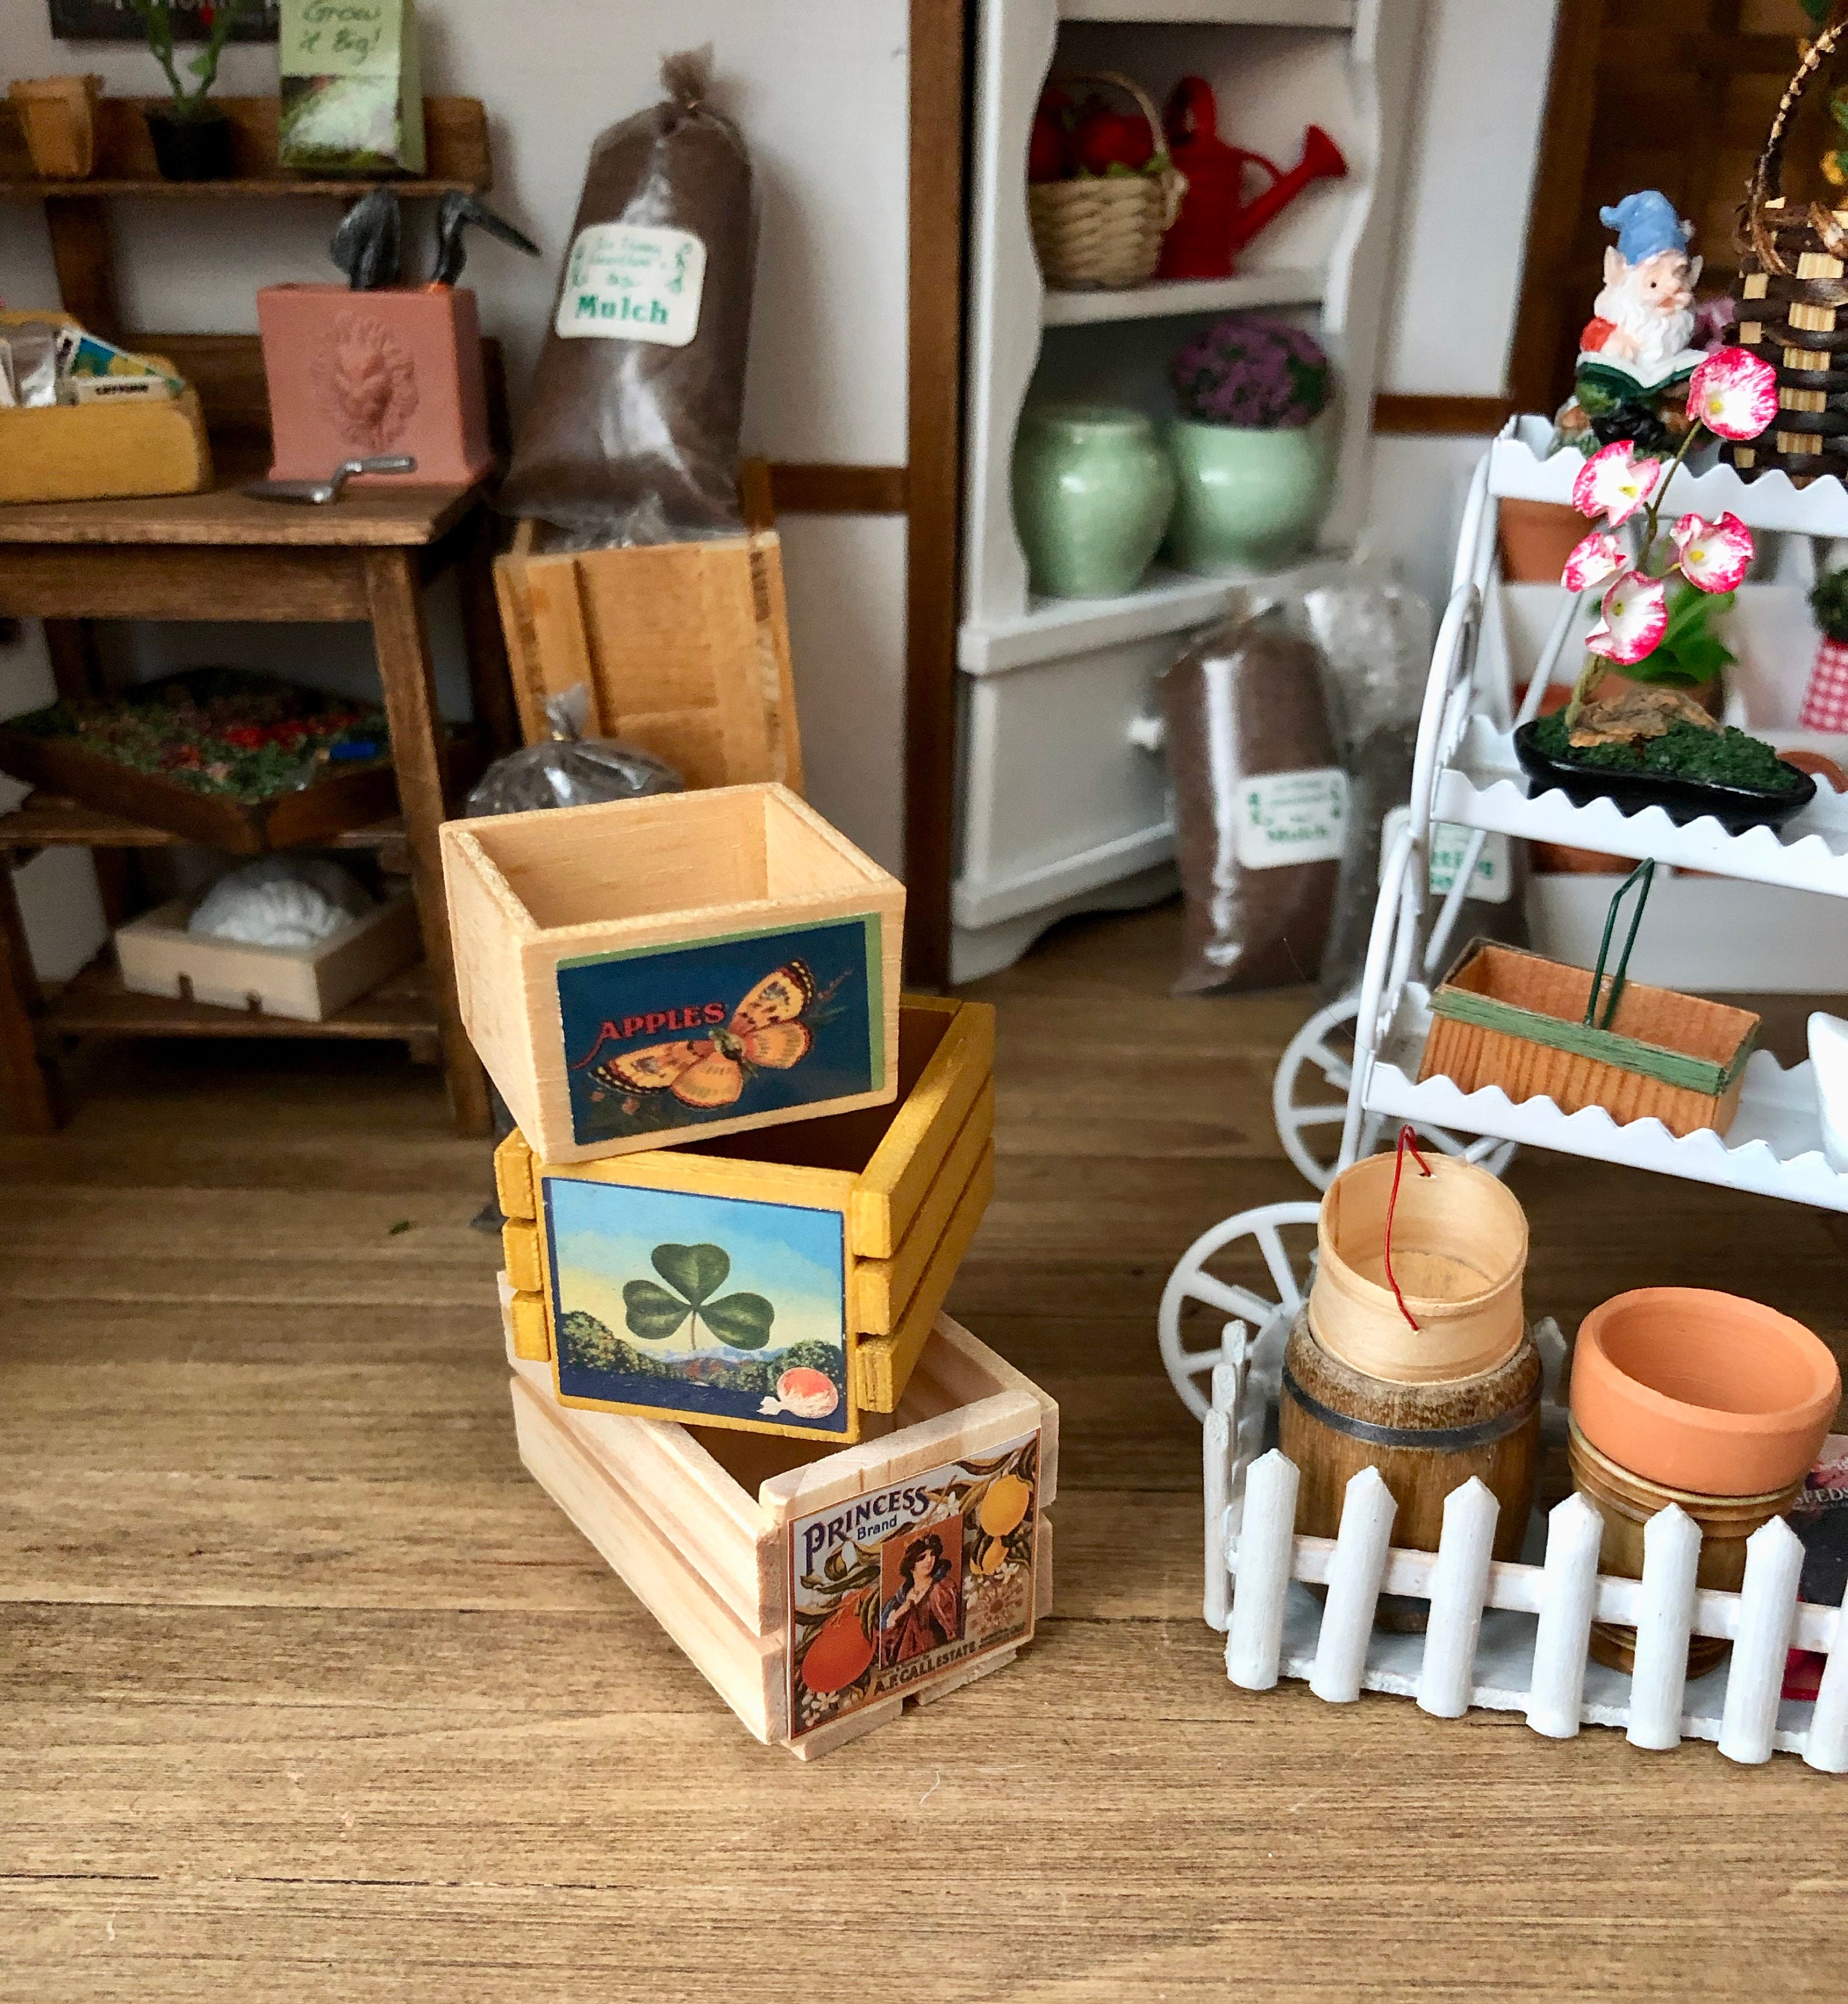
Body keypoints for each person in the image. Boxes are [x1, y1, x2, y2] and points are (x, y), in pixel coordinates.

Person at [880, 1532, 960, 1665]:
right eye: (922, 1557)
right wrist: (902, 1610)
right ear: (912, 1566)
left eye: (932, 1555)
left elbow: (953, 1629)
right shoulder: (897, 1601)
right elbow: (886, 1641)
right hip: (905, 1664)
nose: (929, 1560)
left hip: (938, 1659)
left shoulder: (942, 1589)